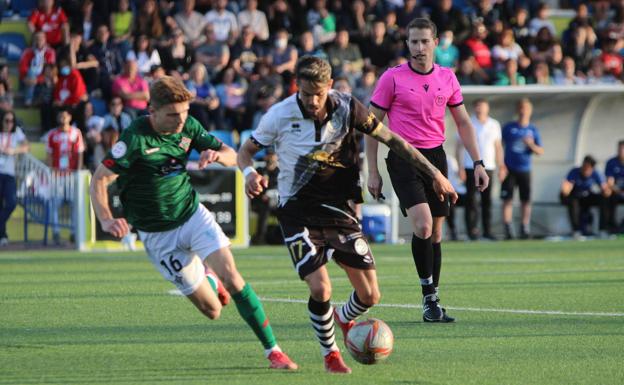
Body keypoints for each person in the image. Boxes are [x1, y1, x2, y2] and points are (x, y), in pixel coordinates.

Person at [238, 56, 457, 374]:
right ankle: (331, 355)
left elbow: (392, 140)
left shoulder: (347, 107)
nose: (312, 101)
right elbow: (246, 151)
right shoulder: (279, 115)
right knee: (321, 289)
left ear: (329, 87)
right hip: (297, 211)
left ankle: (343, 317)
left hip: (340, 209)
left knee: (370, 294)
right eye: (305, 93)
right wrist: (248, 174)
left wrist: (435, 173)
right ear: (297, 87)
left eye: (318, 93)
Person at [89, 76, 297, 371]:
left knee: (234, 279)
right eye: (173, 114)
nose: (180, 120)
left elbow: (231, 155)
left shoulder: (189, 127)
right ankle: (208, 279)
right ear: (153, 111)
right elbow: (100, 178)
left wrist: (217, 155)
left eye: (185, 113)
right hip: (157, 236)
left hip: (192, 216)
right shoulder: (134, 138)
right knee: (213, 310)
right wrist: (107, 219)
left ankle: (273, 351)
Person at [366, 18, 489, 323]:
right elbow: (370, 127)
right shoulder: (392, 78)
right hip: (403, 157)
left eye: (424, 41)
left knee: (435, 233)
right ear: (406, 44)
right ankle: (429, 299)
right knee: (421, 226)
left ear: (436, 43)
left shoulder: (447, 78)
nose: (419, 48)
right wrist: (372, 171)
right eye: (413, 42)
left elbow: (462, 123)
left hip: (436, 158)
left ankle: (432, 299)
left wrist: (478, 163)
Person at [456, 99, 505, 240]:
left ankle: (487, 231)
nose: (480, 109)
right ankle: (471, 232)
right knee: (471, 200)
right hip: (470, 166)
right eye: (477, 106)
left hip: (488, 166)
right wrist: (460, 167)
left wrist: (501, 165)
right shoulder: (468, 122)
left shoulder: (494, 124)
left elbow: (498, 147)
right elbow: (459, 146)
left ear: (487, 108)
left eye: (482, 106)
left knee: (487, 201)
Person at [500, 98, 544, 240]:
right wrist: (501, 165)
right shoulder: (508, 128)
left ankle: (525, 227)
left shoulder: (532, 130)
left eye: (525, 108)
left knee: (525, 200)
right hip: (509, 168)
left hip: (525, 169)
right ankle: (507, 227)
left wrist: (531, 145)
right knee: (508, 199)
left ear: (530, 111)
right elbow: (499, 146)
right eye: (521, 108)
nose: (523, 111)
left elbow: (540, 151)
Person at [560, 155, 609, 239]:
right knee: (573, 202)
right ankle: (576, 231)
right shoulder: (574, 172)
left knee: (604, 200)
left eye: (589, 168)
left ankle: (603, 230)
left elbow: (605, 190)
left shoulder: (596, 173)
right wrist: (566, 188)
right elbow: (566, 190)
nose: (586, 171)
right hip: (574, 197)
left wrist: (606, 189)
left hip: (587, 196)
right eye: (585, 167)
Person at [0, 111, 30, 246]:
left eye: (11, 121)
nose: (9, 124)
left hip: (9, 174)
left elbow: (26, 146)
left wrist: (13, 151)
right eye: (6, 121)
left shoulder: (16, 132)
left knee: (12, 203)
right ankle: (2, 235)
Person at [605, 140, 624, 234]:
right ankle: (611, 227)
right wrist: (619, 191)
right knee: (607, 197)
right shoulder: (611, 162)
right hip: (616, 192)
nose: (621, 151)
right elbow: (610, 182)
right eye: (620, 149)